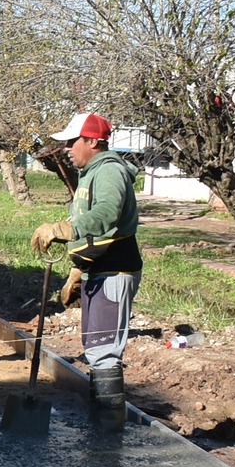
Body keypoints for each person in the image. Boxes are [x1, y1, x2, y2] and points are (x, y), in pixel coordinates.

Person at [32, 112, 139, 425]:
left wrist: (64, 229)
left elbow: (107, 213)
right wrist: (79, 268)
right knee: (95, 348)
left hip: (115, 269)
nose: (66, 148)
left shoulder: (109, 171)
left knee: (104, 351)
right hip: (98, 269)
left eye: (71, 141)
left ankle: (108, 433)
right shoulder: (91, 172)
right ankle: (100, 425)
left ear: (93, 141)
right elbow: (97, 229)